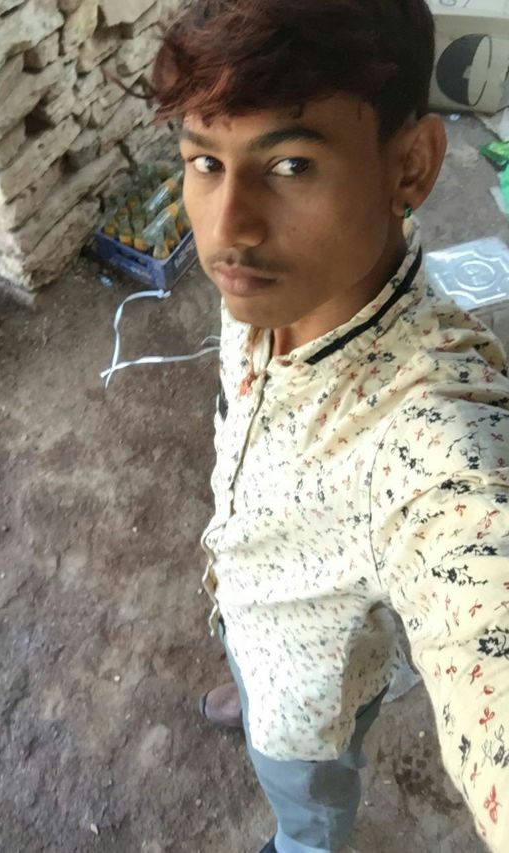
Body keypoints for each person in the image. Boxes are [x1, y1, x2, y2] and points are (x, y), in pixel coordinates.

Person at [150, 0, 509, 851]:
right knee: (254, 659)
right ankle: (251, 679)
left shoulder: (429, 435)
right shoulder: (274, 281)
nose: (226, 230)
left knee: (304, 810)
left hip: (312, 715)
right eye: (205, 161)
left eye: (291, 164)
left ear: (411, 167)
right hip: (259, 614)